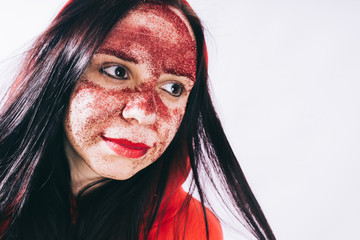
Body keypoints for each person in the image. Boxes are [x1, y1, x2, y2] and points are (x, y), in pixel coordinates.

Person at [0, 0, 276, 239]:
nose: (145, 113)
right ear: (59, 71)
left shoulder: (192, 230)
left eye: (173, 88)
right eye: (117, 71)